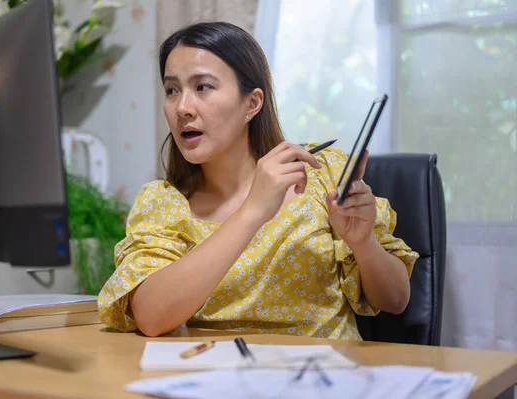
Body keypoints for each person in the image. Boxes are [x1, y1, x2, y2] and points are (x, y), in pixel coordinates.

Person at [97, 22, 418, 339]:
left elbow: (395, 300)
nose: (182, 108)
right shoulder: (162, 201)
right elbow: (152, 318)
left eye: (202, 87)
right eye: (172, 90)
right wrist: (252, 212)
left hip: (324, 377)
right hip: (216, 378)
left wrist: (364, 244)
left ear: (252, 103)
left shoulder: (322, 173)